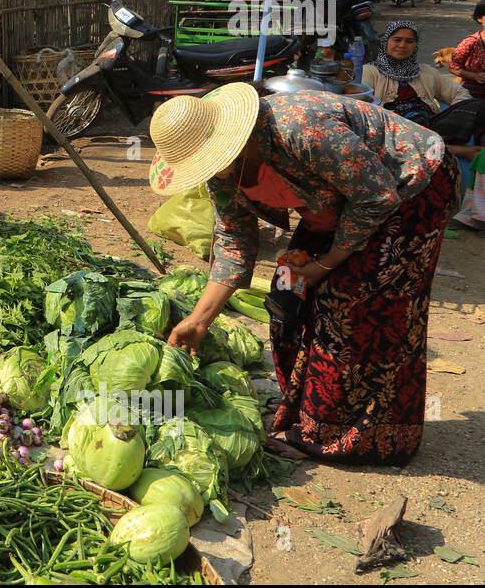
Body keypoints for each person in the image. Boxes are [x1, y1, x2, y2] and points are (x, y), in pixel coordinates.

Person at [155, 83, 457, 466]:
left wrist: (326, 264)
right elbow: (234, 242)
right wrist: (198, 321)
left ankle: (361, 438)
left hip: (410, 185)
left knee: (349, 305)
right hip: (340, 201)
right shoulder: (222, 172)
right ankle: (303, 414)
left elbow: (377, 196)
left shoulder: (299, 129)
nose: (211, 169)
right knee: (287, 295)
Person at [362, 20, 468, 126]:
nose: (402, 45)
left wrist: (453, 116)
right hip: (392, 129)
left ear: (415, 45)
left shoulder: (426, 72)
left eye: (409, 41)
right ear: (386, 41)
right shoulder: (370, 72)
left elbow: (460, 93)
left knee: (477, 106)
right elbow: (359, 107)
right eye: (397, 40)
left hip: (429, 126)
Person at [449, 0, 485, 100]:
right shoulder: (469, 42)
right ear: (479, 19)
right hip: (472, 93)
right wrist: (475, 76)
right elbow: (453, 68)